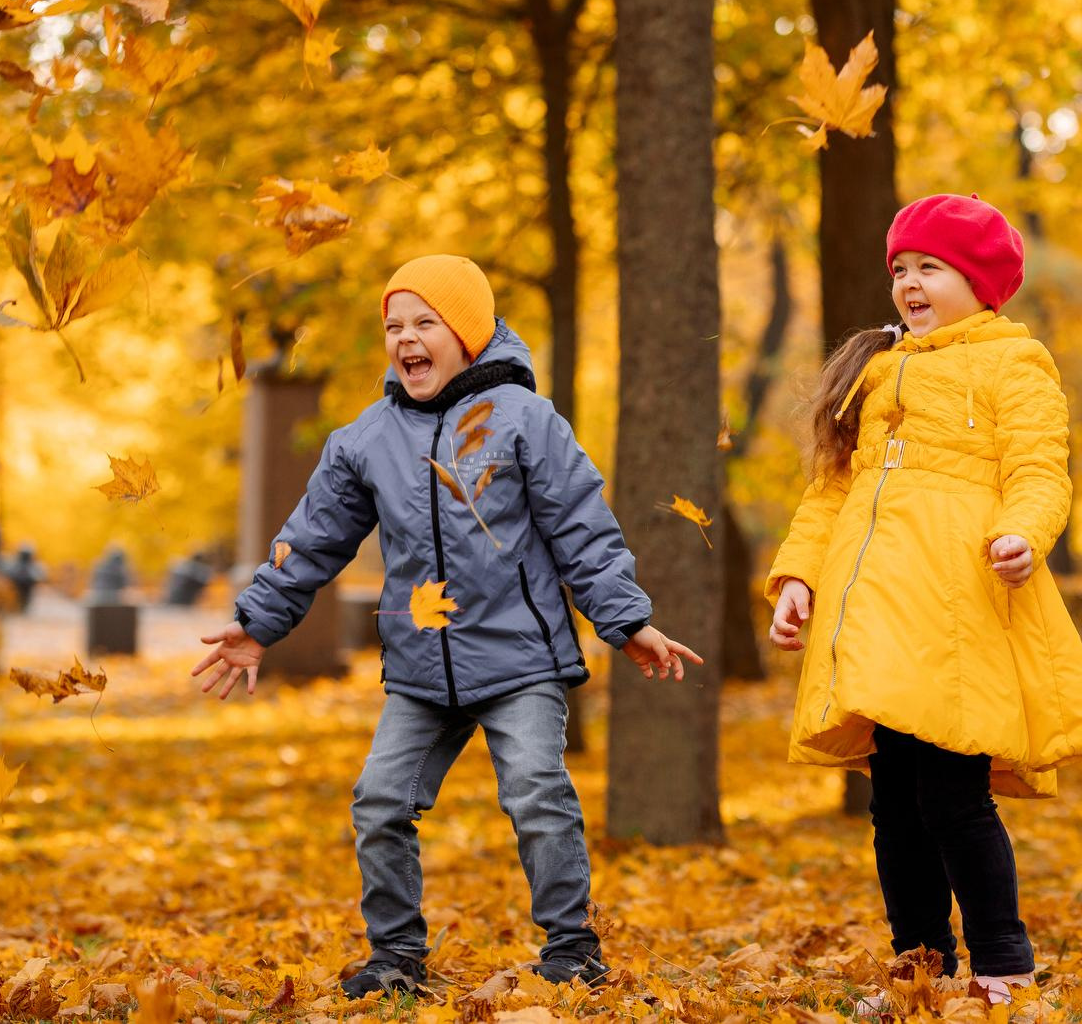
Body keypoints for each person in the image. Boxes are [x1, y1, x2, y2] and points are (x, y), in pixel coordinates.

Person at [191, 254, 700, 999]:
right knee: (379, 801)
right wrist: (257, 622)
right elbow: (311, 539)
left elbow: (582, 528)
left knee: (535, 788)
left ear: (468, 331)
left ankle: (572, 944)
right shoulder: (367, 438)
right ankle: (396, 953)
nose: (407, 338)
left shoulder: (527, 420)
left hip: (520, 658)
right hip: (422, 668)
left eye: (426, 321)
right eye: (394, 325)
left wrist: (626, 619)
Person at [766, 194, 1082, 1008]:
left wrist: (1026, 531)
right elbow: (829, 493)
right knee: (893, 804)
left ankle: (1003, 960)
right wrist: (797, 579)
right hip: (876, 618)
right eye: (900, 269)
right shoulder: (874, 369)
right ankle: (920, 962)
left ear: (980, 282)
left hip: (956, 611)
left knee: (953, 795)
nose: (910, 283)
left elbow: (1038, 467)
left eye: (930, 268)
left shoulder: (1013, 363)